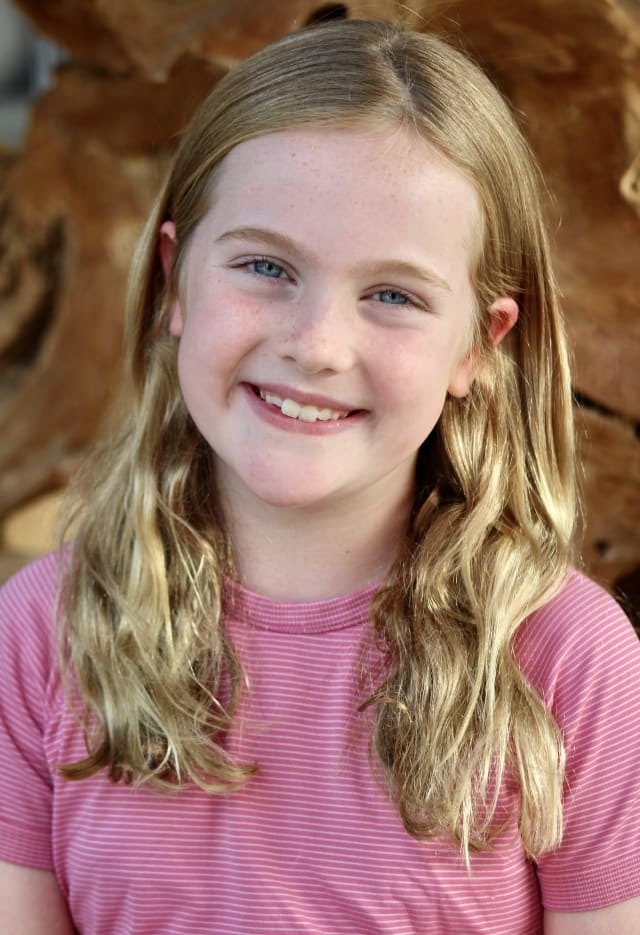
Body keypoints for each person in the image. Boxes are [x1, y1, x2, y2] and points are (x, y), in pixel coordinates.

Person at [1, 18, 639, 935]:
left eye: (394, 295)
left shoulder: (566, 659)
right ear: (176, 280)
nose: (317, 344)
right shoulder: (41, 634)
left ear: (478, 344)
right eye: (266, 266)